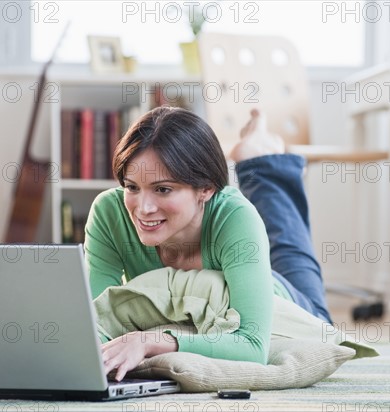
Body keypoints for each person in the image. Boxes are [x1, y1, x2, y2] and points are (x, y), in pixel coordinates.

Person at [84, 106, 332, 381]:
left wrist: (150, 341)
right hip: (240, 266)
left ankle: (257, 154)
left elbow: (253, 347)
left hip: (285, 300)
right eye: (132, 187)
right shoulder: (109, 212)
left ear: (206, 188)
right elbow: (96, 319)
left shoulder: (235, 217)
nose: (143, 208)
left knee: (287, 242)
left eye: (163, 189)